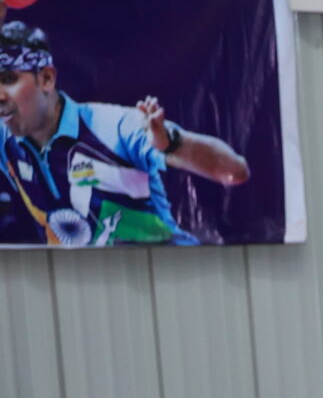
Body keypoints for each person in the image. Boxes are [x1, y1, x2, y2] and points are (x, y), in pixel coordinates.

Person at [0, 20, 251, 246]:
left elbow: (235, 170)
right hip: (83, 278)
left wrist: (171, 144)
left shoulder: (115, 127)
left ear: (46, 78)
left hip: (165, 272)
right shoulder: (7, 142)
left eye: (8, 79)